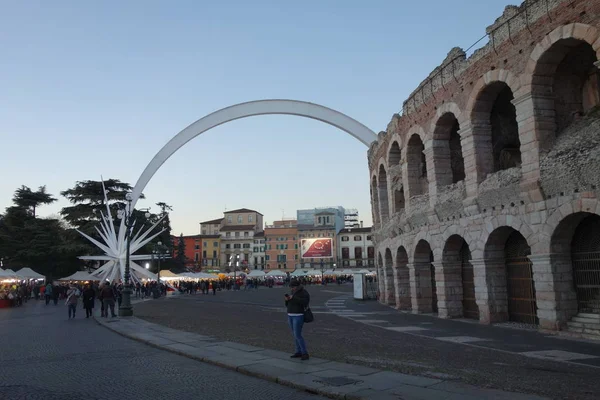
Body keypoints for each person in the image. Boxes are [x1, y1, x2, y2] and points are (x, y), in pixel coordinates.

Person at [284, 279, 310, 360]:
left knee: (298, 335)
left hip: (298, 315)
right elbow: (288, 304)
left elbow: (305, 302)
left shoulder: (304, 292)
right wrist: (287, 300)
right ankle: (298, 351)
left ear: (297, 286)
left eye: (293, 287)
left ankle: (304, 353)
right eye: (291, 287)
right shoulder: (293, 292)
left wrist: (294, 298)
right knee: (295, 335)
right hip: (290, 315)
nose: (291, 289)